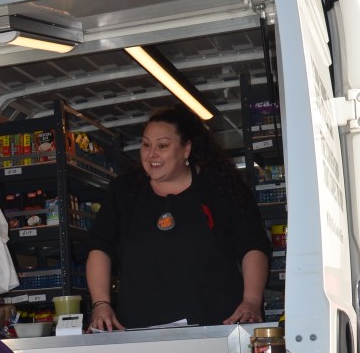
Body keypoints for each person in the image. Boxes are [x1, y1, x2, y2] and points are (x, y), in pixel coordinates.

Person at [86, 105, 271, 332]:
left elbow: (252, 245)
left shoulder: (222, 188)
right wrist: (101, 304)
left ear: (186, 149)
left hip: (215, 328)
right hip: (138, 333)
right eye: (146, 145)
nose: (151, 154)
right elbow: (100, 247)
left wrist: (251, 300)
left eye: (162, 146)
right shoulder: (124, 192)